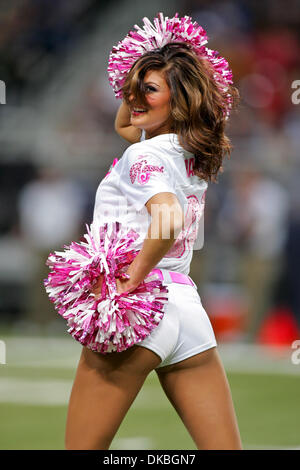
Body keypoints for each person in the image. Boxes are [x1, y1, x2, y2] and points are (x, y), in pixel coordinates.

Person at [65, 14, 242, 450]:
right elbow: (125, 125)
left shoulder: (143, 156)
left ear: (178, 102)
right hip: (186, 309)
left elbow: (166, 219)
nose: (133, 97)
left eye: (148, 89)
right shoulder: (189, 150)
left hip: (142, 305)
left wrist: (132, 277)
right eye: (132, 87)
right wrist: (145, 71)